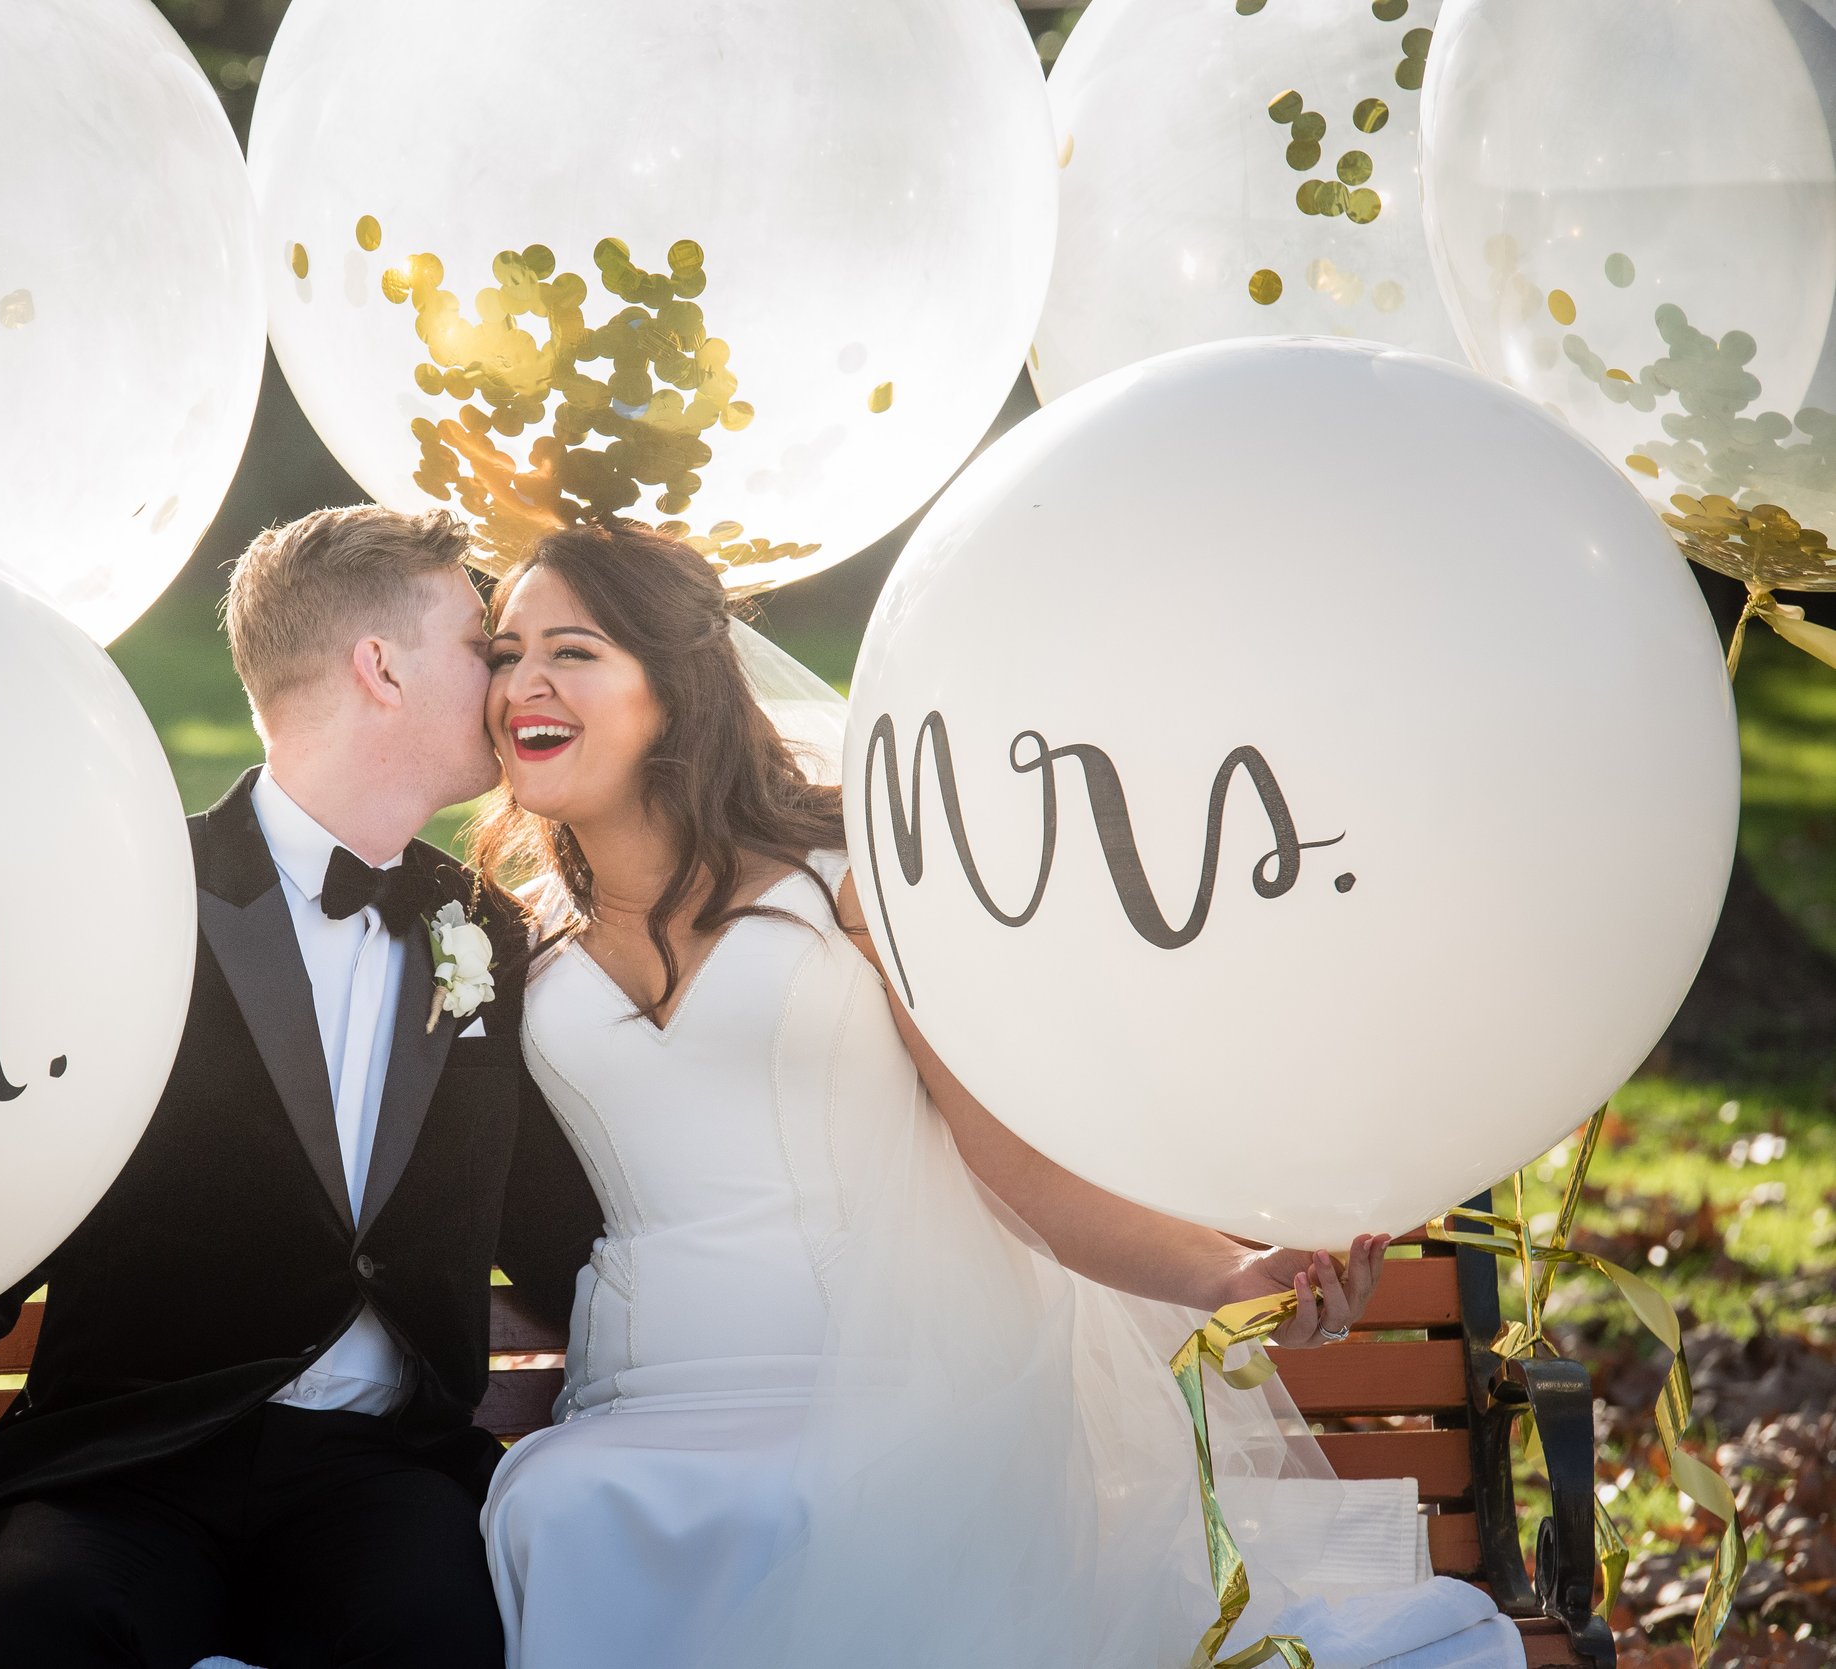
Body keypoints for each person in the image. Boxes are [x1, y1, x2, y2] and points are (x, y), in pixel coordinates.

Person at [472, 519, 1524, 1668]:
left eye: (570, 650)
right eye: (505, 650)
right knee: (560, 1508)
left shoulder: (846, 888)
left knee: (852, 1507)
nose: (524, 681)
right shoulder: (507, 945)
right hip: (652, 1391)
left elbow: (1010, 1159)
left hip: (884, 1382)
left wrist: (1226, 1274)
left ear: (669, 689)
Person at [0, 506, 605, 1669]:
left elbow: (547, 1219)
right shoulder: (126, 895)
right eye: (479, 639)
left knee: (434, 1630)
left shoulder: (478, 927)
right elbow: (7, 1187)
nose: (500, 674)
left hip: (376, 1474)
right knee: (44, 1622)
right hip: (128, 1462)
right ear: (378, 666)